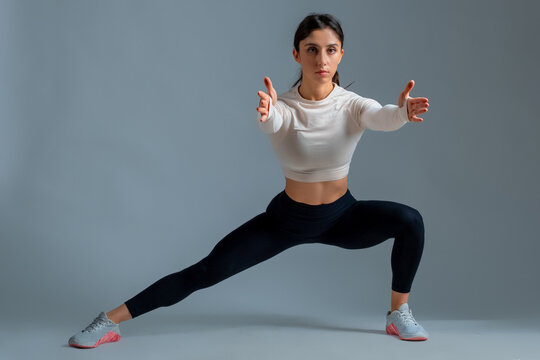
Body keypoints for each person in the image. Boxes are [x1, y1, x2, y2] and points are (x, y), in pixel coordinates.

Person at [68, 12, 430, 348]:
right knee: (205, 271)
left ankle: (398, 313)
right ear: (296, 54)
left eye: (330, 50)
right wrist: (268, 115)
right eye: (312, 50)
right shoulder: (282, 106)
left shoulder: (352, 104)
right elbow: (274, 123)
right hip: (286, 221)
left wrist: (401, 113)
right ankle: (108, 320)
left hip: (341, 217)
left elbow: (381, 116)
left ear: (340, 55)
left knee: (409, 220)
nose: (321, 60)